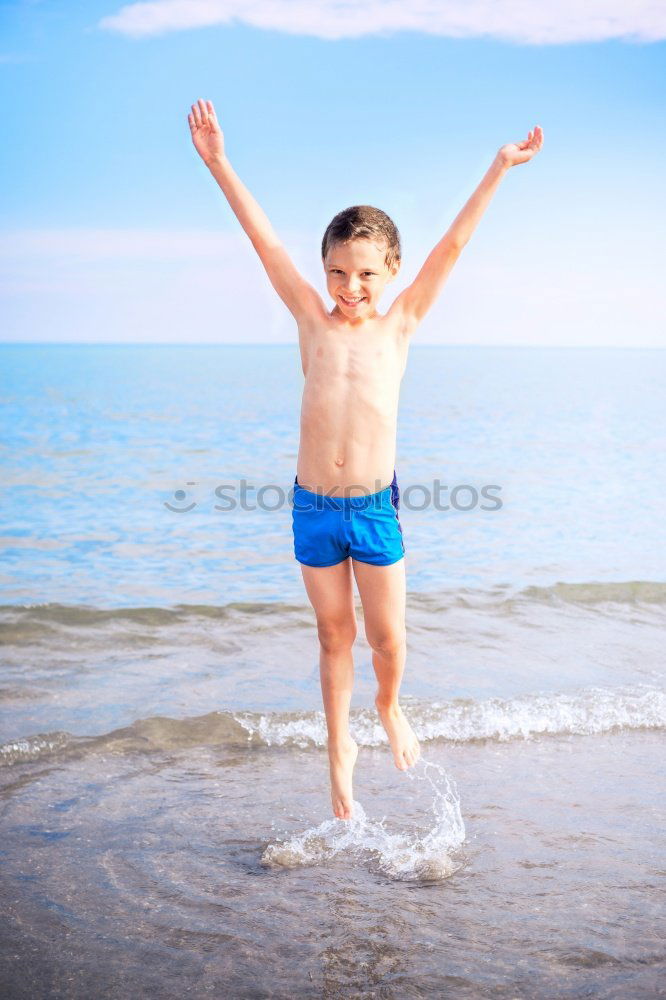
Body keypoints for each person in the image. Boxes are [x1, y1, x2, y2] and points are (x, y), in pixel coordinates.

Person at [188, 98, 543, 820]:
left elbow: (455, 246)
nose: (350, 289)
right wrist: (220, 162)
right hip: (315, 508)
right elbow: (266, 246)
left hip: (375, 510)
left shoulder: (402, 325)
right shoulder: (309, 322)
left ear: (391, 272)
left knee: (387, 640)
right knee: (332, 636)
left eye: (366, 275)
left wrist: (499, 168)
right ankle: (338, 759)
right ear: (324, 270)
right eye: (338, 273)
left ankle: (388, 707)